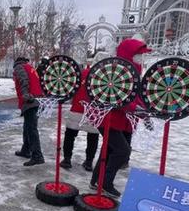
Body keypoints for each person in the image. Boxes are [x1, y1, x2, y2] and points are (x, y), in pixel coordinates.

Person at [89, 38, 152, 197]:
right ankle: (105, 182)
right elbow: (115, 95)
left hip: (122, 122)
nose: (141, 58)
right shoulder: (115, 70)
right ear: (129, 53)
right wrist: (134, 108)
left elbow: (136, 96)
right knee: (122, 151)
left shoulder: (135, 70)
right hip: (109, 119)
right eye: (138, 54)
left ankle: (96, 180)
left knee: (109, 150)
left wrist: (144, 113)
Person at [61, 60, 99, 171]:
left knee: (70, 135)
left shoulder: (79, 75)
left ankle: (67, 159)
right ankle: (88, 162)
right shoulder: (99, 76)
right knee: (92, 137)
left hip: (77, 108)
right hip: (93, 112)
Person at [13, 56, 44, 166]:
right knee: (28, 126)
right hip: (38, 99)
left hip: (30, 100)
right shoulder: (30, 67)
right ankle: (26, 150)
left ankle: (37, 156)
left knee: (31, 129)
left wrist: (26, 95)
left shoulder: (19, 68)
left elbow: (23, 80)